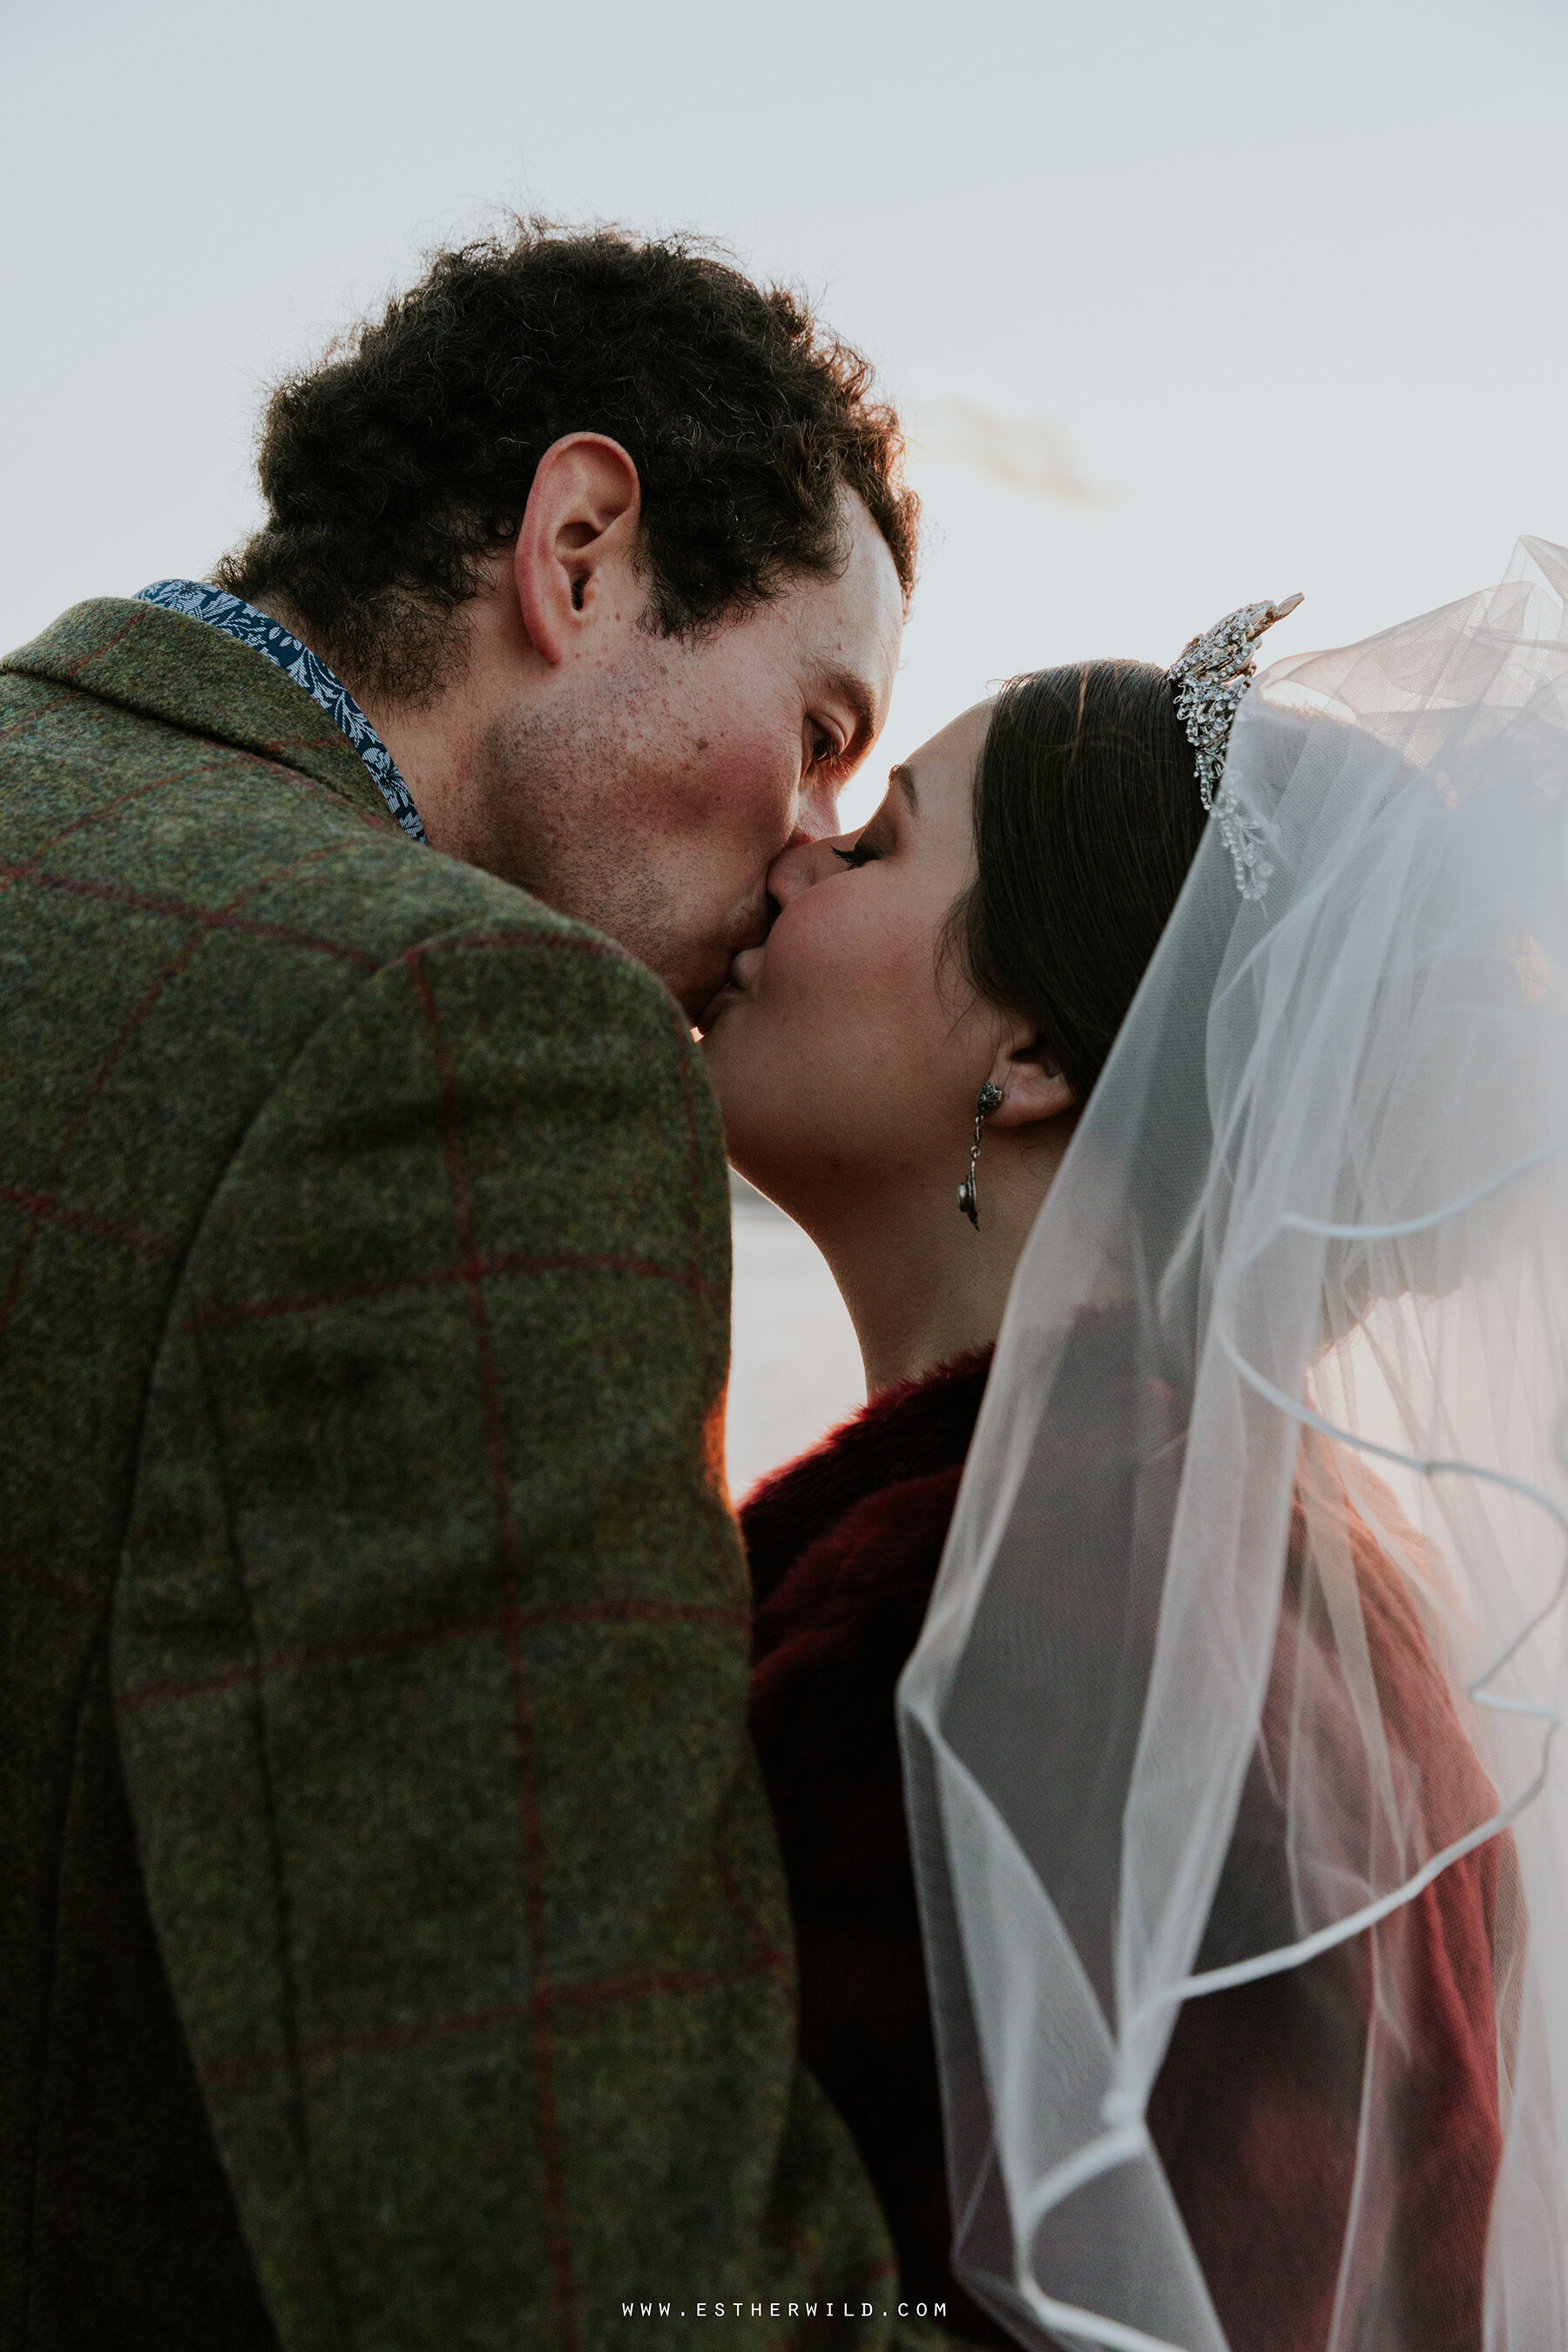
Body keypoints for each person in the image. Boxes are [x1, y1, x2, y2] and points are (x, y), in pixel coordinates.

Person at [0, 220, 977, 2351]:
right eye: (818, 726)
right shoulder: (461, 1038)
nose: (811, 842)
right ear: (588, 547)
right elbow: (582, 2243)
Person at [702, 552, 1568, 2347]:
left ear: (1027, 1057)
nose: (792, 849)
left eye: (873, 849)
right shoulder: (1297, 1587)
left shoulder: (994, 1617)